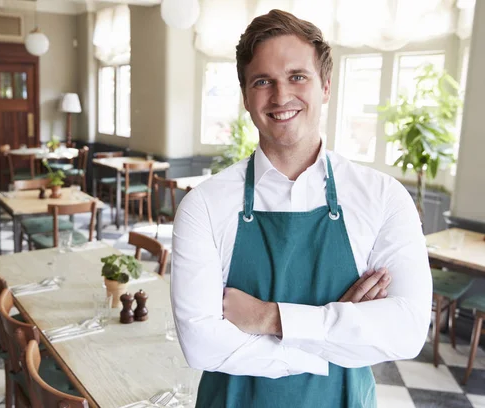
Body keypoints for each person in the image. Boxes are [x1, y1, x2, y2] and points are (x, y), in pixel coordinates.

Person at [170, 9, 432, 408]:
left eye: (297, 76)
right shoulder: (203, 206)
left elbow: (407, 331)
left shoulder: (383, 197)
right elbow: (201, 345)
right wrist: (336, 330)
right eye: (263, 81)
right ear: (245, 95)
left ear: (325, 86)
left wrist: (268, 318)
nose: (280, 96)